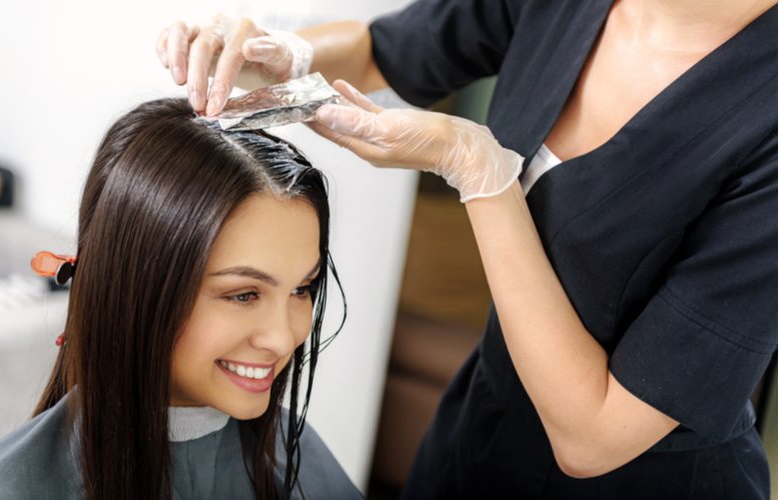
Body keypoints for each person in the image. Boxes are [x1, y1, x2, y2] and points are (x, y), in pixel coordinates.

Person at [158, 1, 777, 498]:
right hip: (476, 436)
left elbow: (597, 438)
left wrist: (474, 167)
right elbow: (390, 49)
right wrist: (286, 53)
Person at [0, 98, 362, 500]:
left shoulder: (294, 454)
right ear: (133, 286)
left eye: (302, 289)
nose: (284, 339)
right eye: (243, 294)